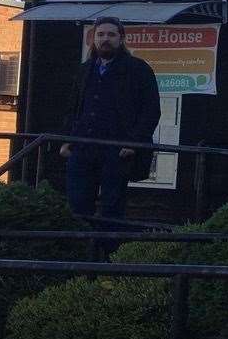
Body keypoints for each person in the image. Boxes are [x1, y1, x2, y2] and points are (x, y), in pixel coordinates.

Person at [59, 16, 161, 221]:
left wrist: (133, 142)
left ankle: (108, 252)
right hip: (83, 148)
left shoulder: (138, 69)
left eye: (111, 34)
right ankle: (81, 250)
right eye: (101, 34)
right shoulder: (85, 70)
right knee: (77, 205)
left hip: (117, 150)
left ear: (121, 39)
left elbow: (151, 110)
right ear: (94, 39)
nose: (106, 39)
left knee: (112, 209)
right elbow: (74, 108)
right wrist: (67, 140)